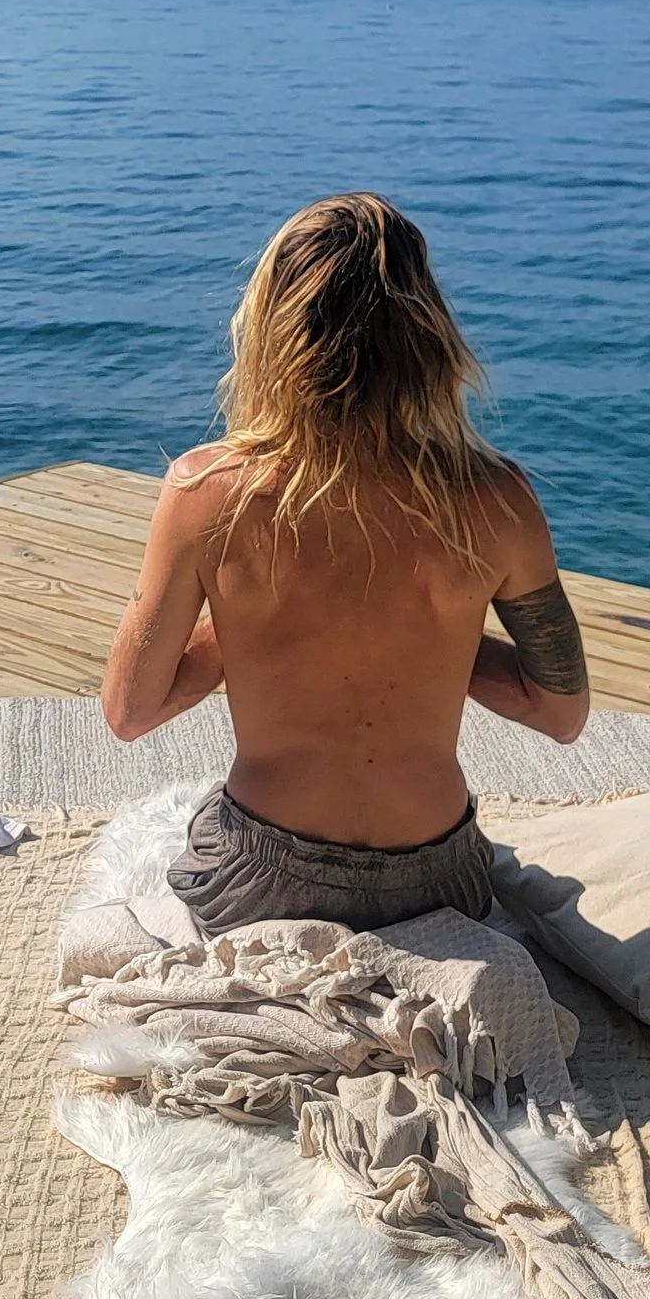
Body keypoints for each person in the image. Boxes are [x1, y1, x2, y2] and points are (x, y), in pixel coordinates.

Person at [101, 193, 590, 935]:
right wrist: (431, 643)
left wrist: (249, 635)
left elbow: (131, 710)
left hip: (263, 879)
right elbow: (562, 711)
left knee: (191, 830)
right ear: (427, 339)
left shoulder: (204, 492)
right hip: (438, 881)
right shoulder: (498, 499)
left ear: (270, 332)